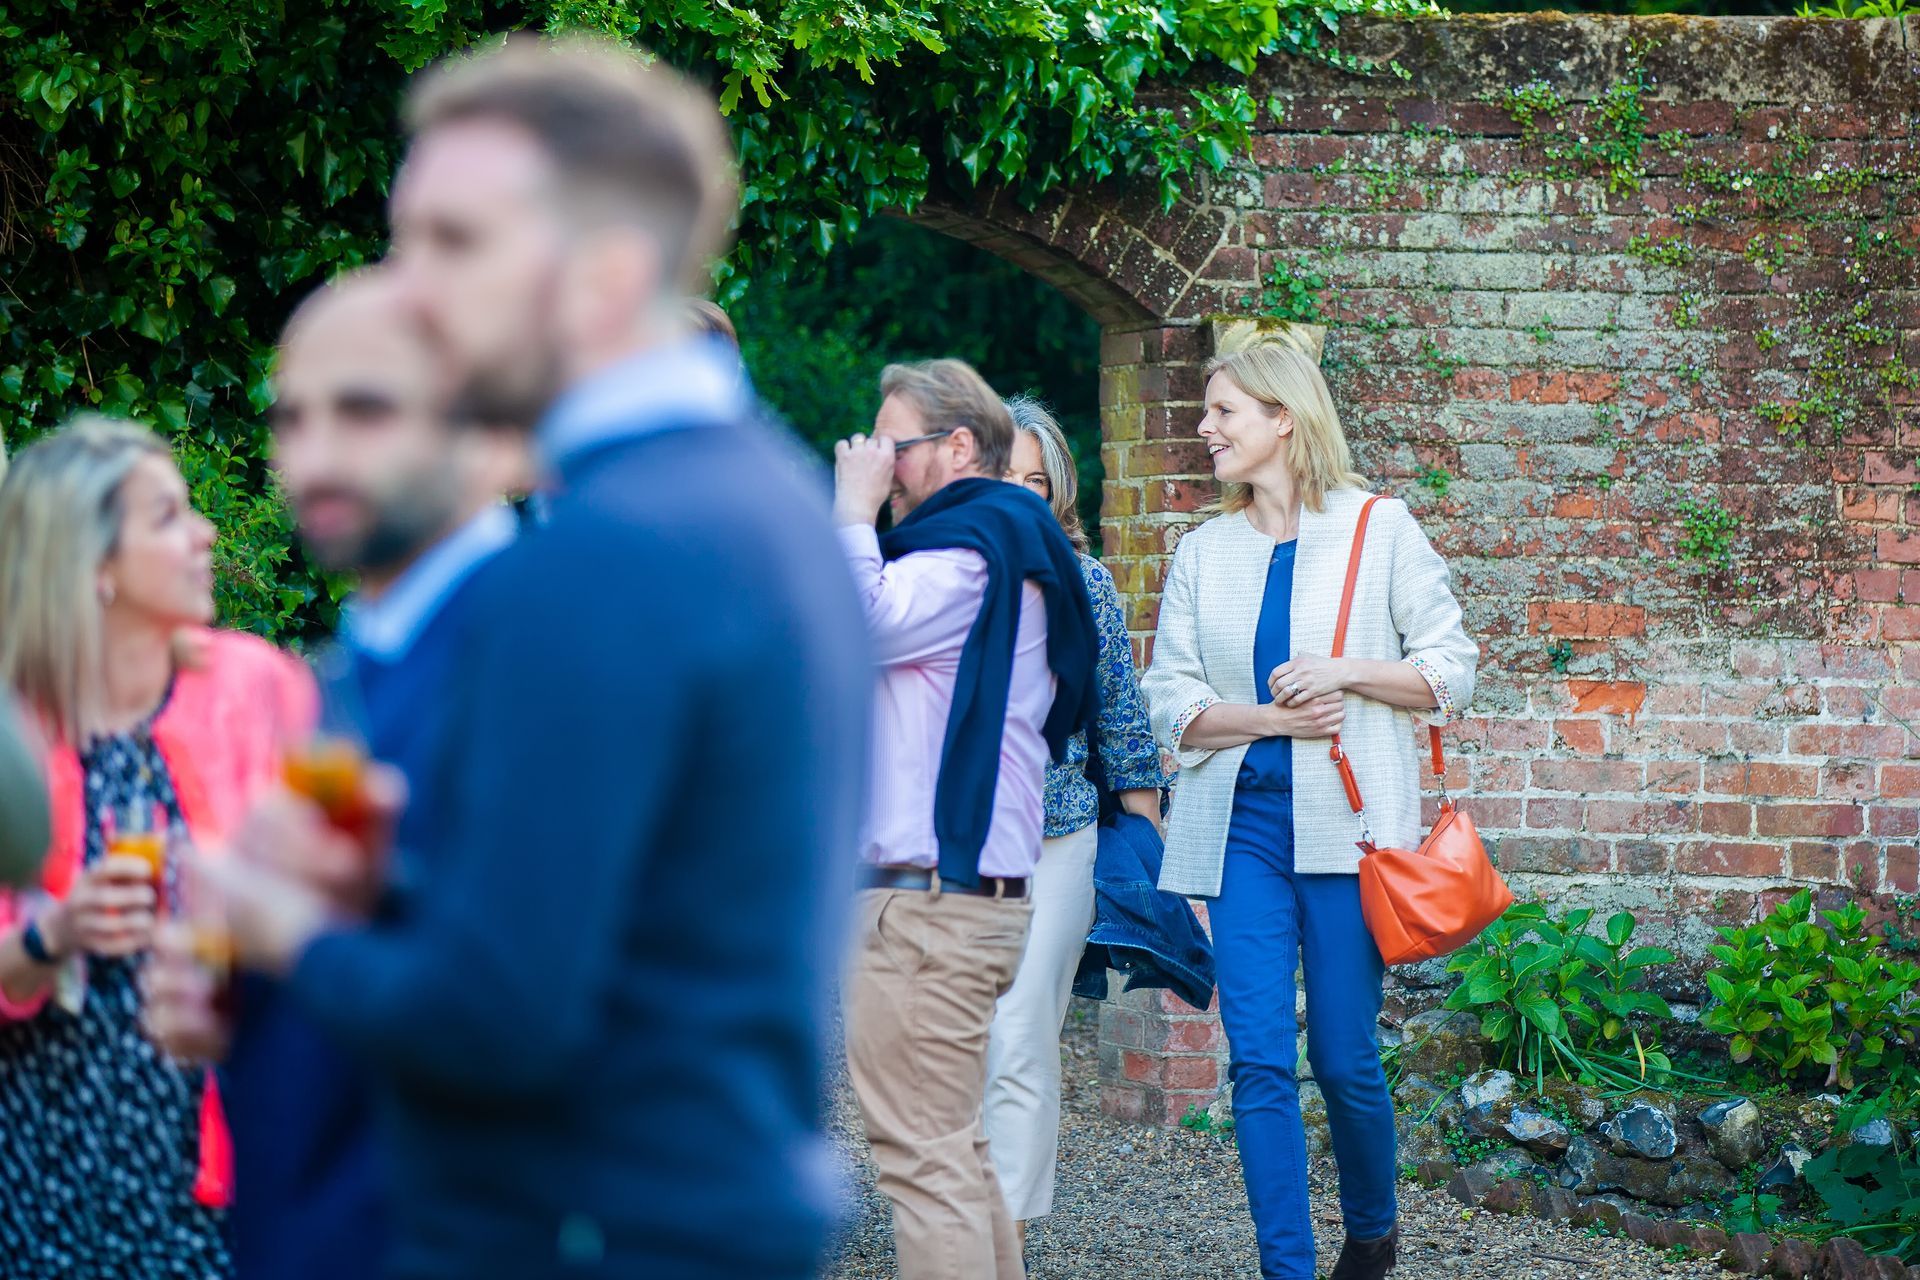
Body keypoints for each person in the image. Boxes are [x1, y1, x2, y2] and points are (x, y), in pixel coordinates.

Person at [199, 37, 874, 1280]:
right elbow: (653, 925)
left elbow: (501, 1020)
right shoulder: (756, 497)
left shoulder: (599, 554)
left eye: (454, 245)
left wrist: (279, 924)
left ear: (608, 272)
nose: (408, 294)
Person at [143, 268, 527, 1280]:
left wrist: (288, 937)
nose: (313, 455)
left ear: (483, 427)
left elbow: (528, 1014)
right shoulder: (351, 664)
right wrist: (237, 990)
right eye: (291, 418)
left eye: (363, 410)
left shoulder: (537, 649)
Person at [1140, 340, 1477, 1280]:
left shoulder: (1380, 528)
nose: (1204, 429)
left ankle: (1372, 1230)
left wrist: (1345, 672)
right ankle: (1285, 1269)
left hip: (1350, 838)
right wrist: (1267, 719)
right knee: (1255, 1062)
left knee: (1342, 1058)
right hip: (1239, 830)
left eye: (1223, 412)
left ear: (1283, 417)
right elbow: (1168, 697)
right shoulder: (1203, 552)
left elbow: (1452, 670)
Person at [0, 417, 315, 1277]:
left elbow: (342, 904)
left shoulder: (258, 689)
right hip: (44, 1167)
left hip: (232, 1162)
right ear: (94, 568)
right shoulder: (10, 736)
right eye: (168, 517)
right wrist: (50, 936)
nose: (206, 532)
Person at [832, 359, 1098, 1280]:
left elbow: (855, 620)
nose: (878, 462)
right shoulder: (1008, 545)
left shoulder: (972, 551)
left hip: (927, 904)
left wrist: (848, 512)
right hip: (957, 897)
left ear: (955, 447)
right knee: (956, 1151)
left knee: (923, 1163)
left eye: (892, 446)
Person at [983, 396, 1164, 1245]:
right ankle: (952, 1223)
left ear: (1057, 494)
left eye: (1036, 480)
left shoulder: (1085, 585)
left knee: (1022, 1033)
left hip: (1057, 838)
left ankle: (1005, 1239)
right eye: (1002, 476)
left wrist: (1151, 848)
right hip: (946, 848)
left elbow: (1124, 726)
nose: (1020, 496)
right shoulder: (934, 572)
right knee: (954, 1041)